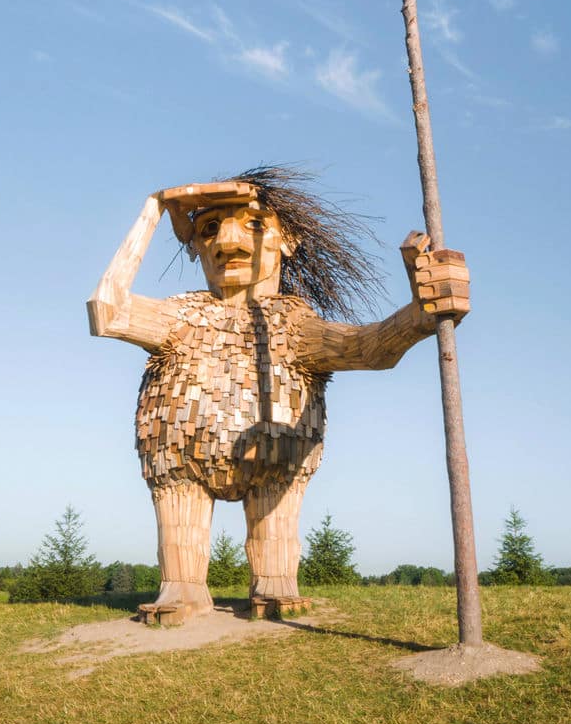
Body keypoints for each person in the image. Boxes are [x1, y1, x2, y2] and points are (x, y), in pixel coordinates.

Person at [87, 167, 469, 618]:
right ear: (195, 246)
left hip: (277, 457)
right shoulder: (179, 315)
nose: (227, 242)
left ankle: (275, 581)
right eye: (209, 229)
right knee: (179, 506)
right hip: (179, 460)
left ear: (285, 240)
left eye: (252, 225)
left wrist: (421, 315)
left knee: (276, 517)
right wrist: (152, 210)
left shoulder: (292, 322)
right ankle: (182, 586)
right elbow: (107, 312)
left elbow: (367, 348)